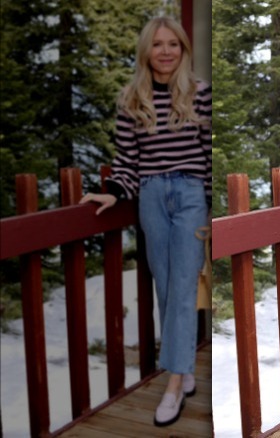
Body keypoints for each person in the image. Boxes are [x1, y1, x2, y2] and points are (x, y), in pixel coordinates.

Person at [80, 17, 211, 427]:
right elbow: (127, 163)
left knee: (185, 283)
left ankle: (173, 382)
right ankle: (184, 365)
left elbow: (207, 155)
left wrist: (210, 205)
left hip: (190, 194)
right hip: (152, 195)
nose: (167, 51)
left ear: (183, 50)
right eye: (158, 44)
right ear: (146, 51)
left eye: (174, 44)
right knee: (166, 284)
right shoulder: (131, 100)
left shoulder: (199, 95)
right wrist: (114, 191)